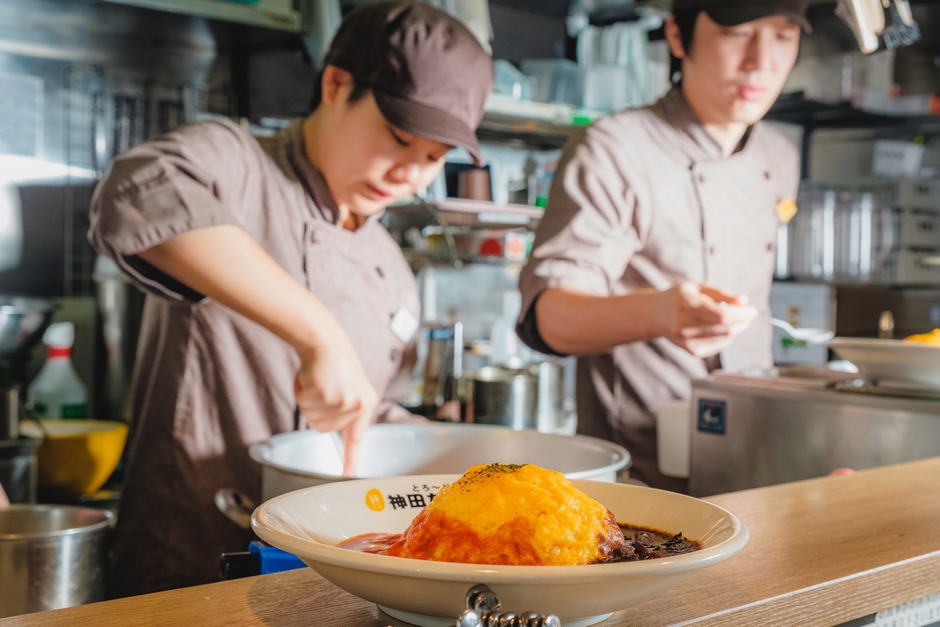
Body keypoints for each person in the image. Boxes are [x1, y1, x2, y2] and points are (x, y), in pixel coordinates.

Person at [89, 1, 493, 596]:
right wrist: (318, 332)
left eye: (432, 158)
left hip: (329, 580)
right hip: (187, 568)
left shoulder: (389, 266)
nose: (411, 174)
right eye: (400, 138)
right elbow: (134, 192)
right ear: (336, 84)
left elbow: (364, 412)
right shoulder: (237, 166)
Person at [517, 0, 807, 491]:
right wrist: (663, 313)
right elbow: (548, 318)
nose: (762, 61)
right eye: (739, 33)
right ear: (677, 36)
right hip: (639, 478)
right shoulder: (614, 149)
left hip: (756, 462)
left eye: (782, 36)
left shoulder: (779, 155)